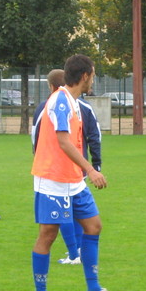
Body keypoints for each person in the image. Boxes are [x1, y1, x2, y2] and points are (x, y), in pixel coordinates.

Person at [31, 54, 120, 291]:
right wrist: (91, 170)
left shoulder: (74, 101)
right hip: (52, 180)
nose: (93, 79)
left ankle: (94, 290)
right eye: (93, 75)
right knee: (48, 235)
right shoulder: (61, 101)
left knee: (93, 226)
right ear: (84, 76)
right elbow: (63, 141)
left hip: (73, 180)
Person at [32, 69, 103, 265]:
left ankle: (79, 262)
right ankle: (75, 255)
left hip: (71, 170)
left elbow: (34, 136)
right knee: (57, 223)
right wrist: (94, 165)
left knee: (87, 221)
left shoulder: (51, 105)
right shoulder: (60, 104)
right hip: (62, 172)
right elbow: (94, 136)